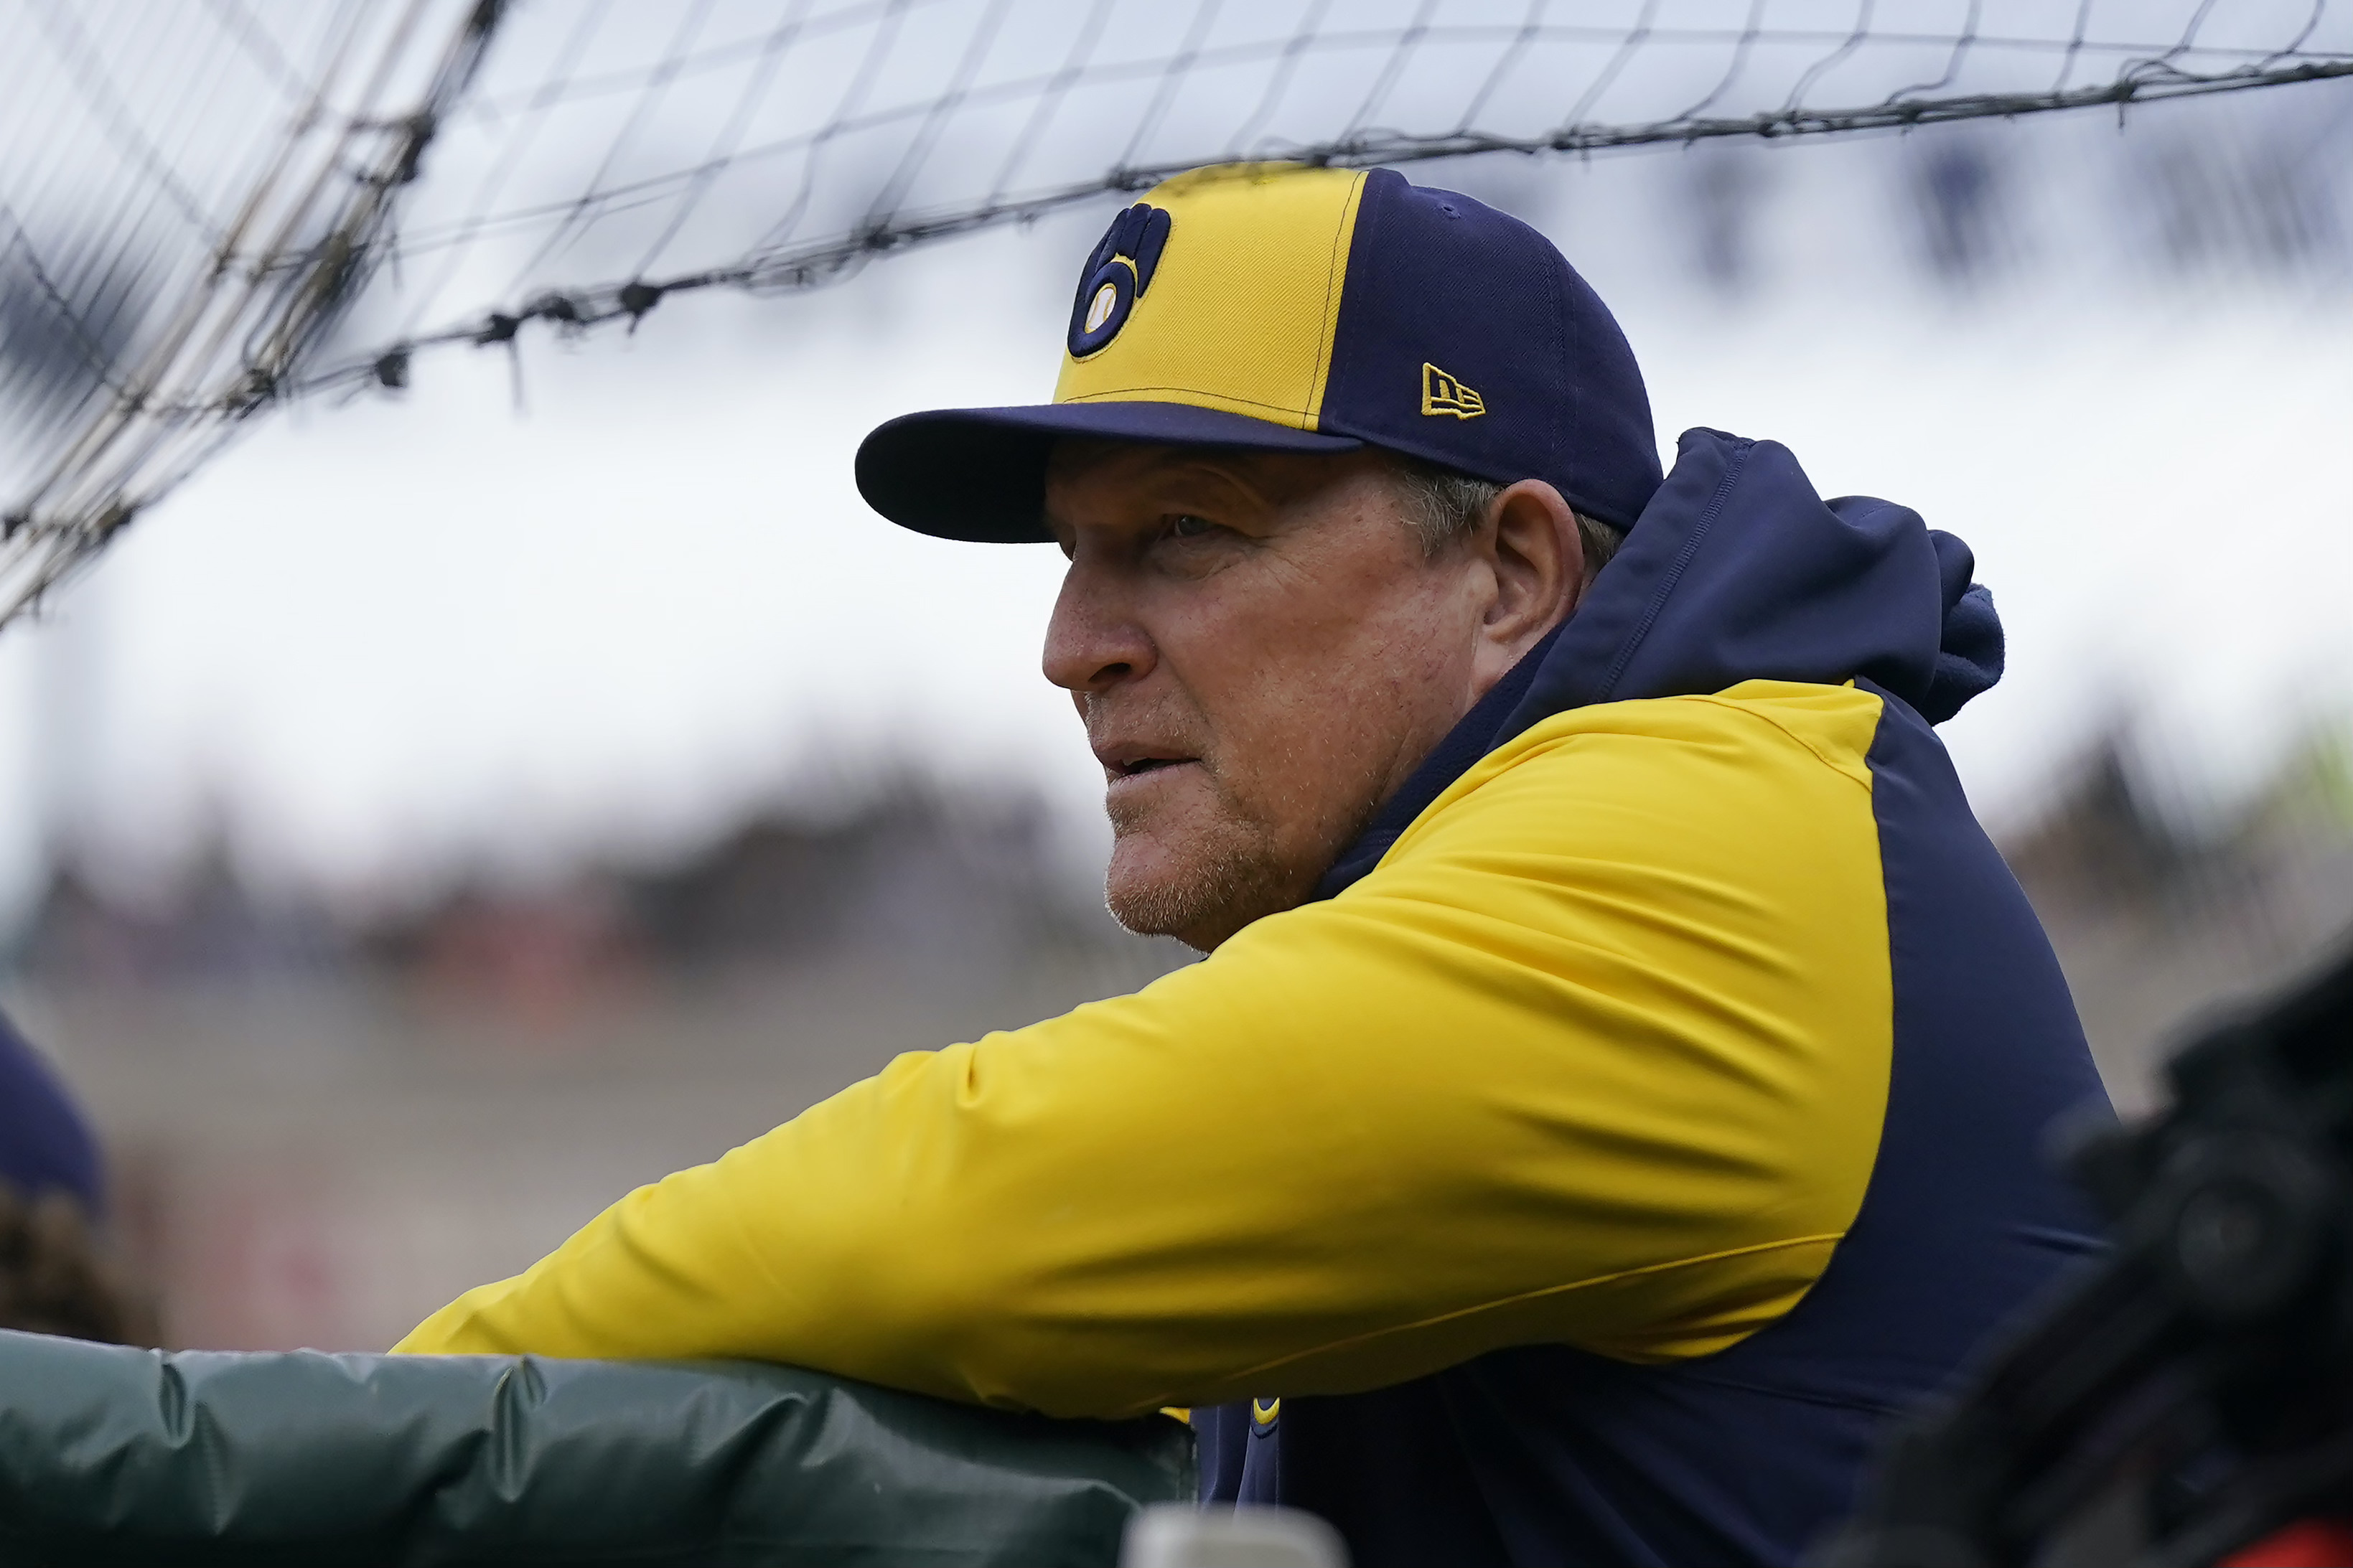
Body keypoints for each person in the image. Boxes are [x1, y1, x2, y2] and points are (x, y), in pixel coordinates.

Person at [398, 162, 2110, 1566]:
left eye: (1185, 535)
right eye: (1075, 557)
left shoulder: (1711, 833)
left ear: (1509, 575)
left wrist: (348, 1432)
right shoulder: (1645, 825)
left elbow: (966, 1204)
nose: (1073, 646)